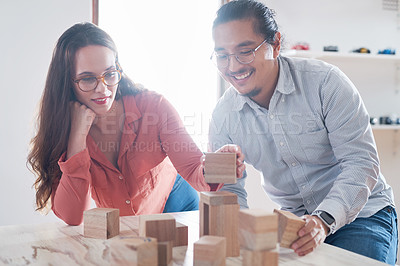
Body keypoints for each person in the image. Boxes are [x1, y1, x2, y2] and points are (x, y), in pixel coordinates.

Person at [208, 0, 397, 264]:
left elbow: (361, 163)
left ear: (274, 44)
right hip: (294, 226)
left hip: (362, 215)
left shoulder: (325, 82)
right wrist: (242, 236)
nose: (233, 66)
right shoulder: (223, 117)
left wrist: (323, 220)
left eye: (245, 51)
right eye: (222, 55)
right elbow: (230, 192)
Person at [27, 22, 245, 226]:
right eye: (87, 78)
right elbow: (73, 217)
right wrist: (76, 138)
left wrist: (220, 165)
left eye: (109, 74)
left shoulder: (154, 107)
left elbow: (195, 168)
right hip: (122, 226)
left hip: (178, 205)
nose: (103, 89)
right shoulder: (63, 129)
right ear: (67, 82)